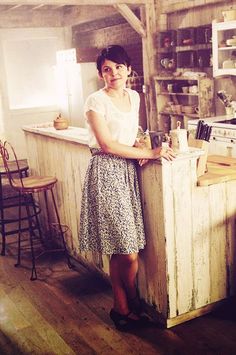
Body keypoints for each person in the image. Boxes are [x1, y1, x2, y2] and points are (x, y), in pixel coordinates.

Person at [79, 45, 175, 331]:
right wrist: (154, 153)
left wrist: (143, 144)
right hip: (106, 172)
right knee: (127, 249)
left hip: (128, 172)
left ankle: (123, 307)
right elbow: (107, 144)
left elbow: (133, 131)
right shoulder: (95, 101)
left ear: (128, 69)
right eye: (107, 69)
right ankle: (126, 303)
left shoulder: (134, 96)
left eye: (119, 67)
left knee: (122, 249)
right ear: (100, 74)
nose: (113, 73)